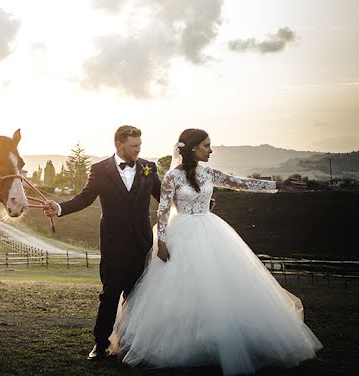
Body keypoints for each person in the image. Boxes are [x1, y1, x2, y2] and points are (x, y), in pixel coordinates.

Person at [109, 128, 322, 375]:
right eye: (206, 146)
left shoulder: (208, 172)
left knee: (219, 287)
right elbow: (163, 211)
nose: (210, 150)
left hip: (210, 230)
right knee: (182, 290)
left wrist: (278, 185)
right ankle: (186, 341)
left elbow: (240, 183)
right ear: (191, 149)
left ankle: (217, 337)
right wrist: (163, 243)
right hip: (182, 235)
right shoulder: (172, 177)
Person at [43, 125, 161, 361]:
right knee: (109, 294)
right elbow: (84, 198)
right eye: (133, 145)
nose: (138, 149)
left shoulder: (149, 167)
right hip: (113, 243)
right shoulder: (99, 169)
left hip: (142, 243)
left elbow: (163, 196)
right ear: (119, 144)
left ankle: (131, 342)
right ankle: (100, 343)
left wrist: (194, 204)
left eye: (140, 145)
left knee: (137, 295)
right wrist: (59, 208)